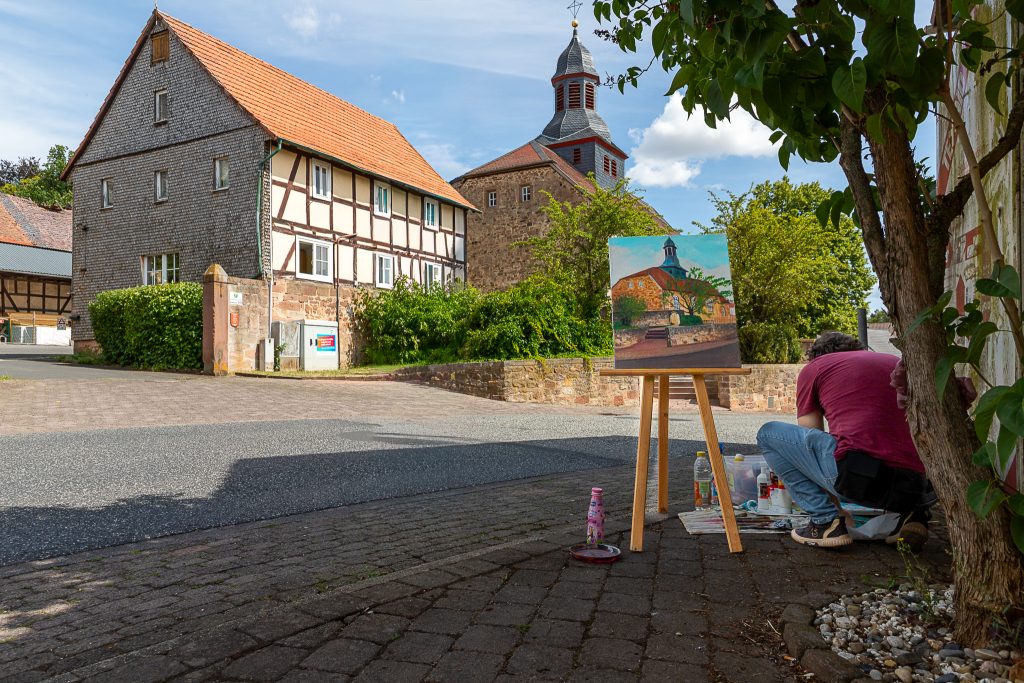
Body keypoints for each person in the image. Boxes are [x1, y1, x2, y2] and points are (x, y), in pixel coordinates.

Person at [756, 332, 932, 549]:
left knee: (768, 434)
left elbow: (811, 438)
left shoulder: (816, 367)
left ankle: (824, 522)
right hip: (920, 486)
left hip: (860, 478)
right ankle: (911, 516)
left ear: (816, 355)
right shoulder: (893, 362)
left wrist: (837, 510)